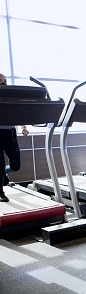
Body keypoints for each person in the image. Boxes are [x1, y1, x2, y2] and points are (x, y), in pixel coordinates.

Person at [0, 73, 28, 202]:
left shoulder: (10, 95)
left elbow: (17, 112)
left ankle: (4, 172)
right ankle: (1, 193)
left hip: (10, 132)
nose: (3, 82)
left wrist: (23, 127)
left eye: (4, 81)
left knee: (16, 165)